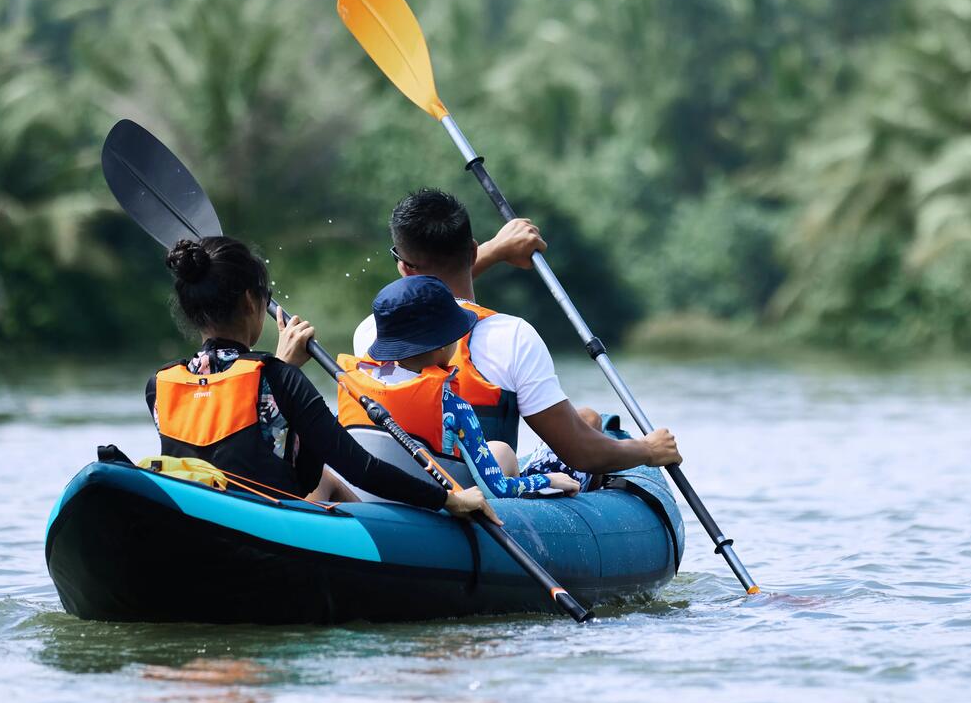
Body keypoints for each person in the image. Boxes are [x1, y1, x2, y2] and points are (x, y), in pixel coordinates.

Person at [145, 235, 497, 524]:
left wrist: (282, 369)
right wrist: (448, 499)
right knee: (332, 475)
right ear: (252, 303)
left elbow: (230, 440)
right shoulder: (278, 379)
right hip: (269, 532)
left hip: (195, 522)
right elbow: (361, 468)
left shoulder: (160, 385)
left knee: (326, 478)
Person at [351, 189, 681, 485]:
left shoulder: (371, 330)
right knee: (589, 423)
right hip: (480, 489)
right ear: (472, 250)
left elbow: (430, 301)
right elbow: (581, 453)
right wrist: (648, 450)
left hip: (398, 483)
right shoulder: (512, 337)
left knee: (589, 419)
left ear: (404, 268)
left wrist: (496, 249)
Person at [341, 275, 584, 498]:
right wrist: (544, 480)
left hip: (365, 498)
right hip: (440, 505)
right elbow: (495, 487)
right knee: (500, 451)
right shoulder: (452, 405)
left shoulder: (352, 386)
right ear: (443, 346)